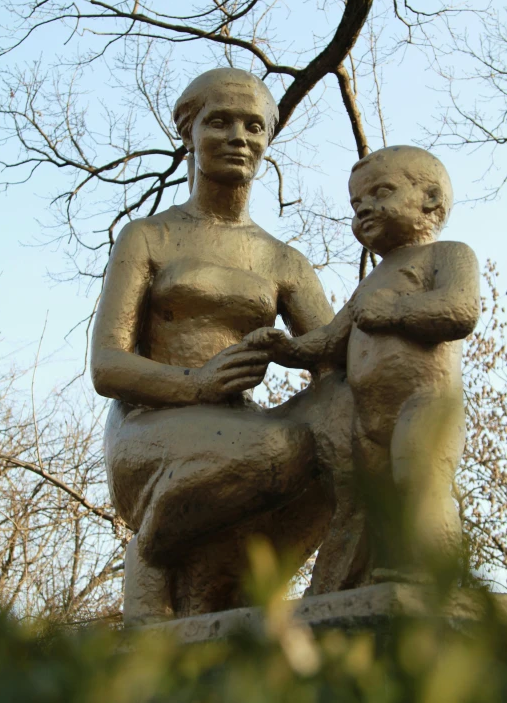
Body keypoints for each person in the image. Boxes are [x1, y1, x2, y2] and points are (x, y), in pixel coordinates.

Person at [90, 68, 343, 621]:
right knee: (283, 449)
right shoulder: (148, 236)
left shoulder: (284, 261)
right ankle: (154, 549)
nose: (239, 137)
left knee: (342, 439)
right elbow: (106, 365)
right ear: (189, 132)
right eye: (220, 121)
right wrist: (195, 383)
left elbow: (335, 362)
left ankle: (263, 589)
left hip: (242, 431)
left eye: (254, 126)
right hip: (150, 426)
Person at [245, 146, 481, 580]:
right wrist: (286, 349)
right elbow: (330, 341)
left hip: (424, 404)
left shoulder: (447, 254)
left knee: (419, 479)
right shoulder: (372, 281)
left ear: (429, 198)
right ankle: (379, 574)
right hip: (370, 418)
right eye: (356, 204)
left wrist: (392, 313)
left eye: (381, 192)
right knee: (371, 503)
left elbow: (459, 310)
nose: (364, 209)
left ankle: (438, 577)